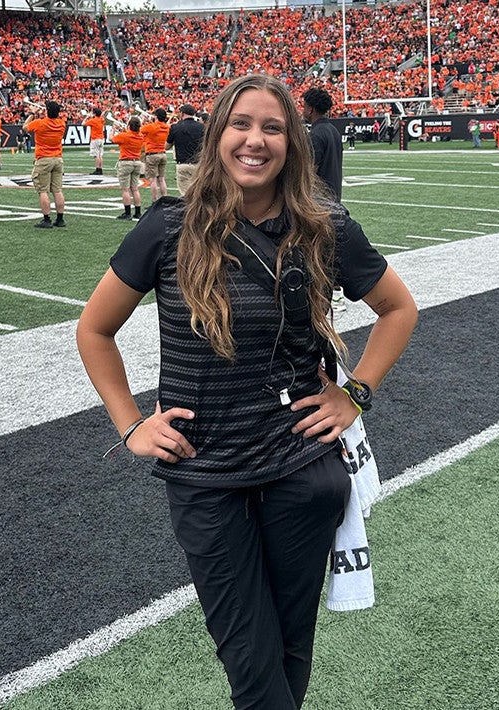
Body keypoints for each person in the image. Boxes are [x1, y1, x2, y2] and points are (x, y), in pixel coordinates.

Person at [76, 74, 417, 710]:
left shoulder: (325, 228)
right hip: (205, 474)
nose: (254, 140)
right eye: (241, 124)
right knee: (251, 664)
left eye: (272, 127)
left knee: (289, 649)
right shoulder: (167, 229)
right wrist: (130, 426)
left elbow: (398, 307)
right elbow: (94, 330)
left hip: (301, 469)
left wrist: (356, 395)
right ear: (216, 136)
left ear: (292, 143)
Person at [301, 87, 346, 313]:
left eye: (304, 105)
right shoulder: (333, 131)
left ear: (310, 107)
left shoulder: (316, 134)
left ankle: (331, 294)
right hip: (333, 194)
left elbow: (310, 170)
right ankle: (335, 292)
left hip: (319, 197)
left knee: (319, 248)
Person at [23, 100, 67, 229]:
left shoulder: (40, 123)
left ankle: (47, 219)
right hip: (58, 159)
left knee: (43, 191)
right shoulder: (62, 123)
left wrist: (32, 113)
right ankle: (60, 219)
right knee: (57, 190)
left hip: (43, 159)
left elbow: (25, 127)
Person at [165, 103, 203, 195]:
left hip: (182, 164)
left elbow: (166, 146)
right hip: (198, 164)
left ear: (182, 114)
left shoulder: (175, 127)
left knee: (185, 195)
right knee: (198, 193)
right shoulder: (201, 127)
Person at [110, 116, 143, 220]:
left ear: (129, 126)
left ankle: (127, 212)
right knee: (135, 189)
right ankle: (138, 212)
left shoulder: (124, 136)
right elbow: (131, 134)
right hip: (137, 162)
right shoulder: (140, 136)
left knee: (125, 190)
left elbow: (111, 139)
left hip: (126, 162)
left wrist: (113, 129)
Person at [141, 108, 171, 203]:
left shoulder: (151, 126)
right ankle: (165, 200)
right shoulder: (167, 127)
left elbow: (140, 130)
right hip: (162, 153)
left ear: (156, 117)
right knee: (161, 179)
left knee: (153, 180)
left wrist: (145, 121)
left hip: (152, 154)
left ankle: (155, 201)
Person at [84, 108, 106, 175]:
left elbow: (83, 123)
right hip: (101, 138)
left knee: (96, 155)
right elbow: (102, 117)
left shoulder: (93, 120)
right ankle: (100, 169)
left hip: (95, 139)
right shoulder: (102, 119)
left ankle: (97, 169)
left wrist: (87, 117)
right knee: (100, 155)